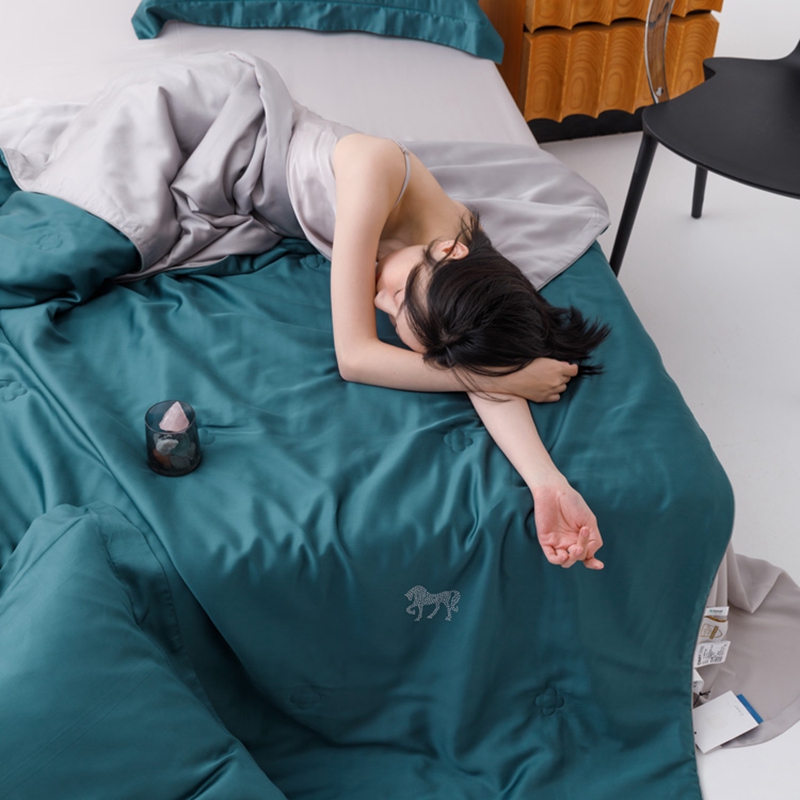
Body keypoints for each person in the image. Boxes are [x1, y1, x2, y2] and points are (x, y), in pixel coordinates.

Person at [329, 133, 608, 570]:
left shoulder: (457, 274)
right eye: (399, 296)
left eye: (393, 312)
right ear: (449, 251)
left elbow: (471, 360)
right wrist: (509, 376)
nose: (378, 299)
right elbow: (354, 357)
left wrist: (548, 485)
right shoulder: (373, 167)